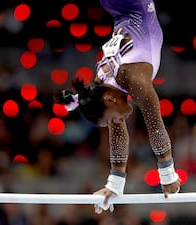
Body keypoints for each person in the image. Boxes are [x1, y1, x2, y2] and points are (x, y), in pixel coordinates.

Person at [54, 0, 181, 214]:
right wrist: (114, 186)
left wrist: (168, 174)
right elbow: (119, 136)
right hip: (119, 8)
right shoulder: (103, 84)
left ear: (109, 100)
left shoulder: (135, 79)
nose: (116, 123)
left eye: (111, 120)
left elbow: (156, 126)